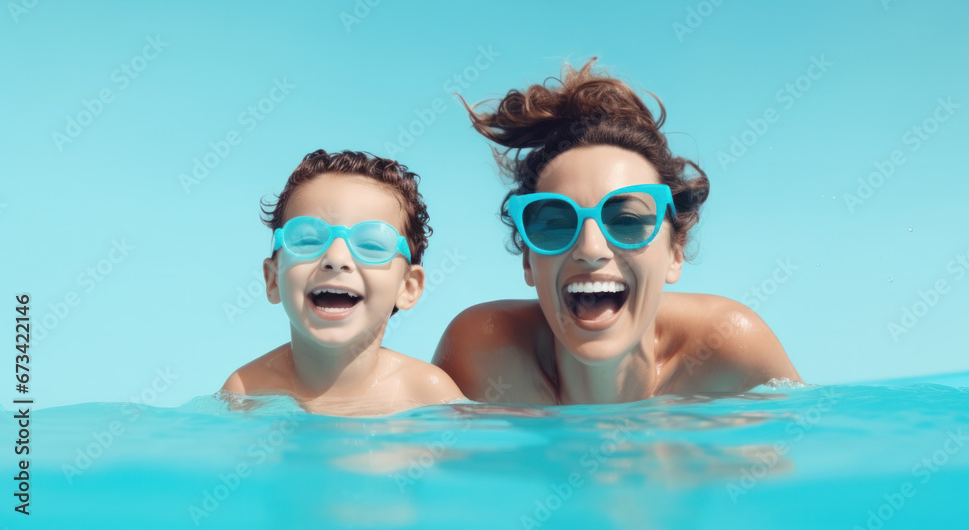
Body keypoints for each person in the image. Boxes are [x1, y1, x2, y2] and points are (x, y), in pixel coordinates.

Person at [433, 60, 801, 405]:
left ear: (676, 253)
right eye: (556, 224)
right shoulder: (484, 355)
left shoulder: (730, 352)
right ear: (528, 261)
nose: (591, 249)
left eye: (627, 221)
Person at [222, 149, 464, 415]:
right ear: (272, 280)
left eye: (372, 244)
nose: (336, 258)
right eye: (307, 240)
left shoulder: (427, 394)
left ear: (408, 287)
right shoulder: (246, 393)